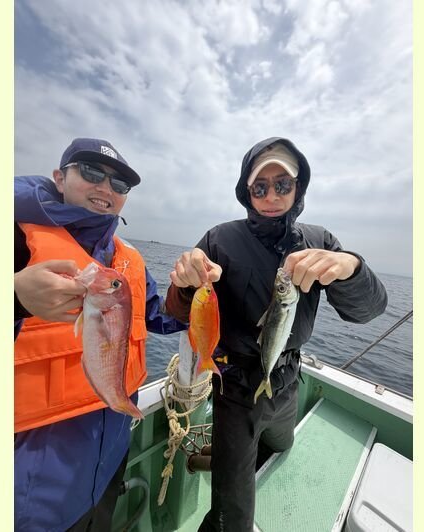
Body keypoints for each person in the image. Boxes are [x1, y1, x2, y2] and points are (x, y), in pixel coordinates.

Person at [165, 137, 388, 531]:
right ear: (246, 191)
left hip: (287, 378)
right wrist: (185, 284)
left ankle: (225, 457)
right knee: (232, 510)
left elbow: (367, 311)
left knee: (281, 444)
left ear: (298, 188)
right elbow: (179, 311)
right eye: (260, 187)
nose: (271, 196)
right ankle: (227, 464)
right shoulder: (220, 239)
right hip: (235, 387)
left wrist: (351, 267)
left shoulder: (320, 242)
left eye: (282, 184)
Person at [14, 138, 186, 531]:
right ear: (60, 178)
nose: (106, 187)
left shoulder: (130, 260)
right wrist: (14, 297)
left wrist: (190, 292)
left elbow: (160, 317)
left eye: (119, 184)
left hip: (108, 464)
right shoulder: (16, 238)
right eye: (91, 172)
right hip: (31, 488)